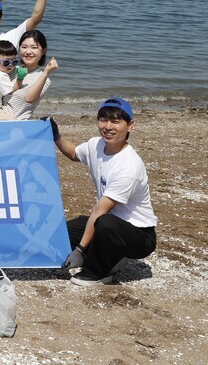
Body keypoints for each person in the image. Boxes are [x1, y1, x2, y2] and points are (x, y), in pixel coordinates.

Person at [52, 98, 157, 286]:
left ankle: (99, 272)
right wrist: (56, 136)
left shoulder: (129, 167)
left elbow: (100, 211)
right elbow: (74, 153)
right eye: (103, 120)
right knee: (63, 233)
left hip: (139, 235)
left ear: (130, 125)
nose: (108, 126)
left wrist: (80, 250)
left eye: (116, 121)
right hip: (107, 222)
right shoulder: (96, 145)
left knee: (104, 223)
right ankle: (105, 252)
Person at [0, 30, 58, 120]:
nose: (28, 52)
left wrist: (46, 72)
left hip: (18, 124)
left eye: (34, 47)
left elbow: (29, 99)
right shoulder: (10, 69)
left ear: (43, 51)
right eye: (24, 47)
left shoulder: (43, 78)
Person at [0, 40, 19, 117]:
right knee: (13, 124)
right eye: (6, 62)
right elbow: (13, 89)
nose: (11, 65)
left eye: (14, 62)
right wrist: (20, 79)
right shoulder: (1, 75)